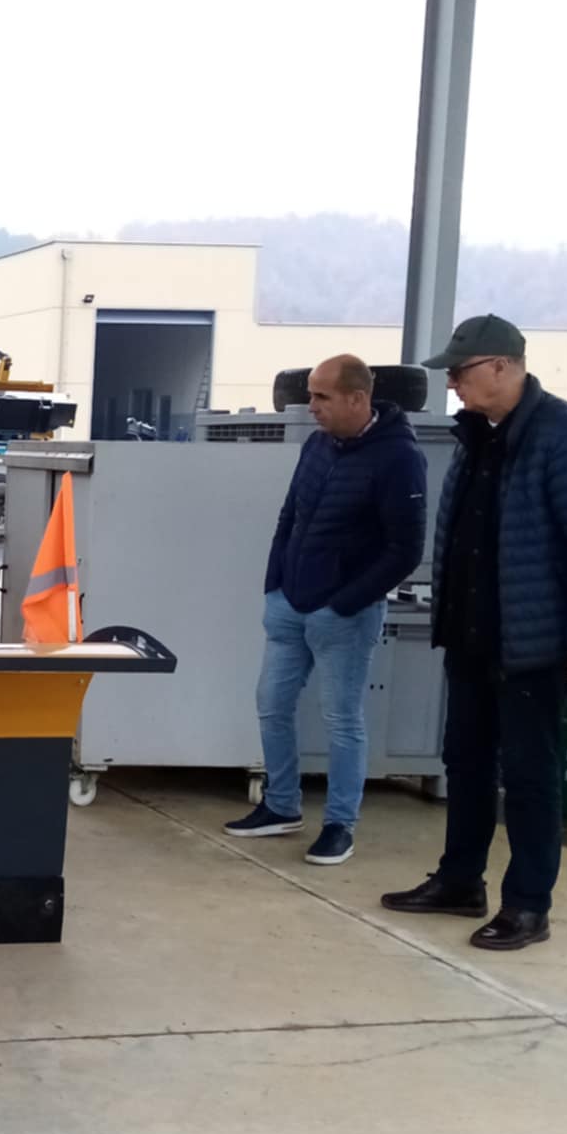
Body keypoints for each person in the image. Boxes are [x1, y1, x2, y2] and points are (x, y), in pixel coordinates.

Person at [381, 315, 567, 950]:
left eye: (459, 373)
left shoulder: (564, 435)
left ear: (500, 366)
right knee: (464, 763)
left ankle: (528, 906)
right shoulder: (479, 436)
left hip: (531, 647)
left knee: (529, 777)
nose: (452, 385)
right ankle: (460, 881)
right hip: (472, 637)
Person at [225, 355, 428, 864]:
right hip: (289, 605)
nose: (310, 405)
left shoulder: (399, 458)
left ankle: (340, 825)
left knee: (342, 719)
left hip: (345, 617)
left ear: (357, 399)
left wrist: (344, 604)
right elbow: (289, 517)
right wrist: (275, 586)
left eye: (321, 397)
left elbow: (405, 550)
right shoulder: (317, 445)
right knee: (271, 703)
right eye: (310, 394)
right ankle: (281, 806)